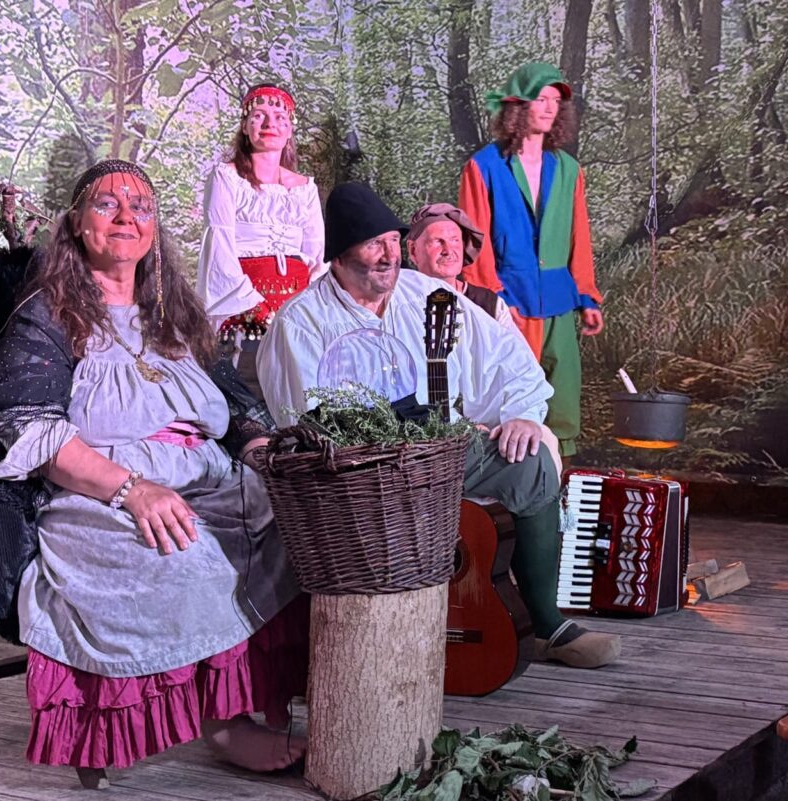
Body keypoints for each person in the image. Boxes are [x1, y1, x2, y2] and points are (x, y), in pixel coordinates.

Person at [0, 159, 306, 783]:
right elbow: (28, 427)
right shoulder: (49, 317)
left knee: (298, 531)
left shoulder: (174, 313)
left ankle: (253, 699)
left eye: (142, 208)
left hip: (208, 476)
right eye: (107, 205)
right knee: (184, 556)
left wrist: (263, 450)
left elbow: (235, 405)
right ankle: (221, 723)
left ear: (154, 229)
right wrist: (130, 489)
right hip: (101, 488)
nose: (126, 216)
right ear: (77, 224)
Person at [257, 181, 620, 669]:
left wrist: (520, 413)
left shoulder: (430, 295)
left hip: (443, 453)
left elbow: (505, 357)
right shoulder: (302, 322)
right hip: (360, 478)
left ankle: (545, 624)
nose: (389, 255)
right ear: (339, 255)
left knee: (531, 464)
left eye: (393, 241)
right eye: (374, 244)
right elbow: (304, 419)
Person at [458, 62, 604, 460]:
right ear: (517, 106)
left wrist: (587, 297)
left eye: (556, 100)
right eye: (541, 98)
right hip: (510, 301)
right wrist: (493, 299)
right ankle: (515, 484)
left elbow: (579, 237)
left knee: (563, 404)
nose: (550, 107)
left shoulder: (568, 169)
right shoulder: (483, 166)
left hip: (558, 300)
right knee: (514, 402)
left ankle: (561, 486)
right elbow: (474, 241)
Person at [406, 201, 561, 478]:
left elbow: (520, 368)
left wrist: (521, 417)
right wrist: (456, 425)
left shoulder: (488, 305)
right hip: (425, 426)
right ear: (413, 251)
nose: (448, 249)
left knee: (542, 441)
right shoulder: (399, 303)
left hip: (491, 422)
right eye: (437, 241)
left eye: (455, 240)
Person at [197, 83, 326, 393]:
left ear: (290, 130)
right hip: (244, 307)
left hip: (296, 311)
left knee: (302, 391)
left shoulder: (305, 188)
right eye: (259, 115)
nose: (270, 124)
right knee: (248, 390)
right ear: (245, 126)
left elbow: (317, 257)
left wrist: (309, 312)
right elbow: (219, 248)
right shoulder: (227, 177)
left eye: (280, 117)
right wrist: (255, 308)